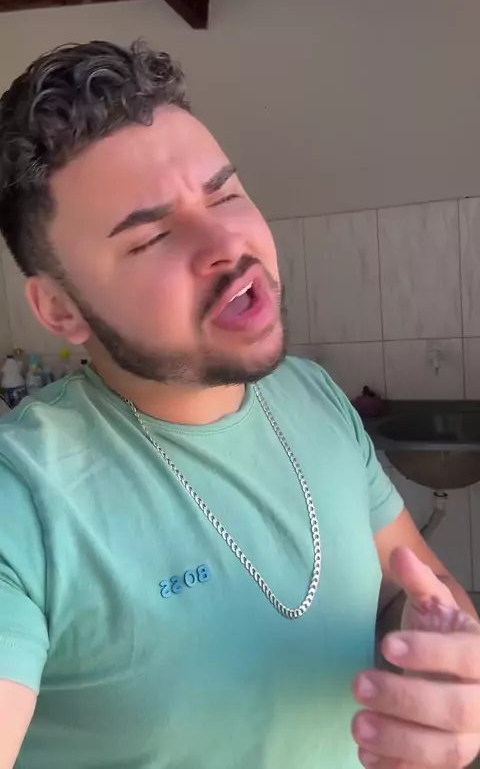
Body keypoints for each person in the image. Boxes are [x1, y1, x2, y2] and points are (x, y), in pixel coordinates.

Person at [0, 41, 478, 769]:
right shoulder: (24, 499)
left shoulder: (313, 395)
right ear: (60, 309)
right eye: (153, 236)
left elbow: (413, 588)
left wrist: (443, 669)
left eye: (225, 194)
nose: (225, 241)